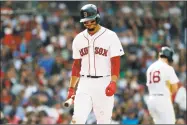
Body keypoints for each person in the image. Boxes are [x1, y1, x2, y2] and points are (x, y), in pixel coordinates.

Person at [66, 4, 124, 124]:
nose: (88, 23)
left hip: (104, 82)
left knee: (103, 121)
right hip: (85, 83)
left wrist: (113, 82)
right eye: (85, 21)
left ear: (97, 18)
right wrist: (71, 88)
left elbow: (115, 63)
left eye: (91, 20)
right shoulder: (78, 39)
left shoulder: (110, 36)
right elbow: (76, 66)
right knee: (77, 119)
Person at [146, 46, 179, 124]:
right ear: (168, 58)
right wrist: (169, 93)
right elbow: (175, 87)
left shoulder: (150, 68)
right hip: (162, 99)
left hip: (151, 100)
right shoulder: (167, 68)